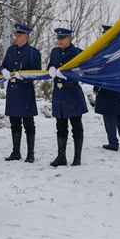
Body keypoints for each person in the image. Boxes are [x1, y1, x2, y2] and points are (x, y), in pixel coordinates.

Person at [0, 24, 42, 162]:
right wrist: (4, 71)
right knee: (14, 122)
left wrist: (24, 77)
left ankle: (31, 153)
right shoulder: (11, 50)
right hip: (13, 90)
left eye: (19, 36)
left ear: (26, 37)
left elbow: (37, 73)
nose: (16, 38)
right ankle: (16, 151)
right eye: (16, 35)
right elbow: (4, 65)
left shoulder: (33, 53)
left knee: (28, 123)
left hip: (25, 90)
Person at [48, 27, 88, 166]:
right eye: (58, 39)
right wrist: (51, 69)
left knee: (76, 126)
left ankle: (77, 158)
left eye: (63, 38)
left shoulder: (77, 52)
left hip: (71, 92)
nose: (60, 41)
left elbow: (83, 70)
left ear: (70, 39)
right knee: (61, 126)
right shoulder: (54, 52)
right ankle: (61, 156)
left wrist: (68, 74)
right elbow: (51, 66)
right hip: (59, 93)